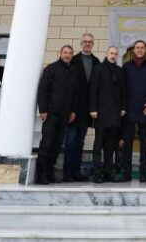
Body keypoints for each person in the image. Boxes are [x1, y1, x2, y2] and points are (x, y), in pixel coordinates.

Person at [35, 45, 82, 185]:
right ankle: (41, 175)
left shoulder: (74, 71)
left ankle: (50, 173)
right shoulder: (51, 69)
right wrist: (43, 110)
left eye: (70, 53)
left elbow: (75, 94)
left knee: (57, 146)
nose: (67, 55)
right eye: (65, 52)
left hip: (65, 115)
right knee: (47, 144)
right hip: (51, 114)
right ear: (60, 53)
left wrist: (73, 111)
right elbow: (43, 90)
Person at [120, 40, 146, 183]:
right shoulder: (126, 67)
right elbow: (121, 88)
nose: (140, 49)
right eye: (137, 47)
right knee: (127, 144)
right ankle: (127, 173)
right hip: (129, 111)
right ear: (134, 50)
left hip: (145, 111)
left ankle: (143, 173)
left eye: (142, 47)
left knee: (144, 143)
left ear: (145, 49)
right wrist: (122, 107)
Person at [88, 45, 125, 184]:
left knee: (111, 146)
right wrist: (93, 108)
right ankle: (97, 174)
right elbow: (93, 89)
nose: (113, 55)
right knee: (98, 145)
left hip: (115, 113)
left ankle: (109, 173)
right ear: (107, 53)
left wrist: (123, 107)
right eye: (111, 53)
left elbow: (123, 90)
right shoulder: (98, 69)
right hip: (101, 113)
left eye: (115, 54)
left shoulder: (119, 71)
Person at [63, 33, 96, 181]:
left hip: (86, 111)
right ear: (81, 43)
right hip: (73, 110)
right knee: (70, 141)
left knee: (80, 142)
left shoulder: (96, 62)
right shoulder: (74, 61)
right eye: (85, 41)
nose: (87, 44)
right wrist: (70, 110)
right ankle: (67, 173)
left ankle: (76, 172)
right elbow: (68, 88)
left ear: (92, 44)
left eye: (90, 42)